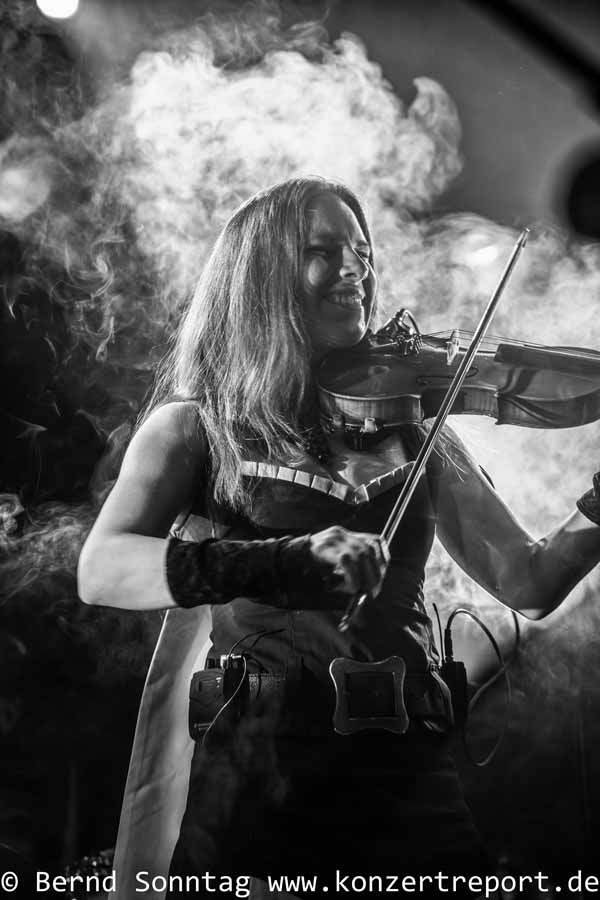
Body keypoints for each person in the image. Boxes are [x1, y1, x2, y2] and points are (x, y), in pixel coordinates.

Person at [78, 177, 600, 900]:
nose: (357, 269)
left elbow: (530, 583)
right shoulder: (196, 429)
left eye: (363, 252)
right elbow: (103, 568)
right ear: (262, 278)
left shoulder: (417, 432)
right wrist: (284, 560)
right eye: (324, 251)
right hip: (261, 772)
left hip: (410, 769)